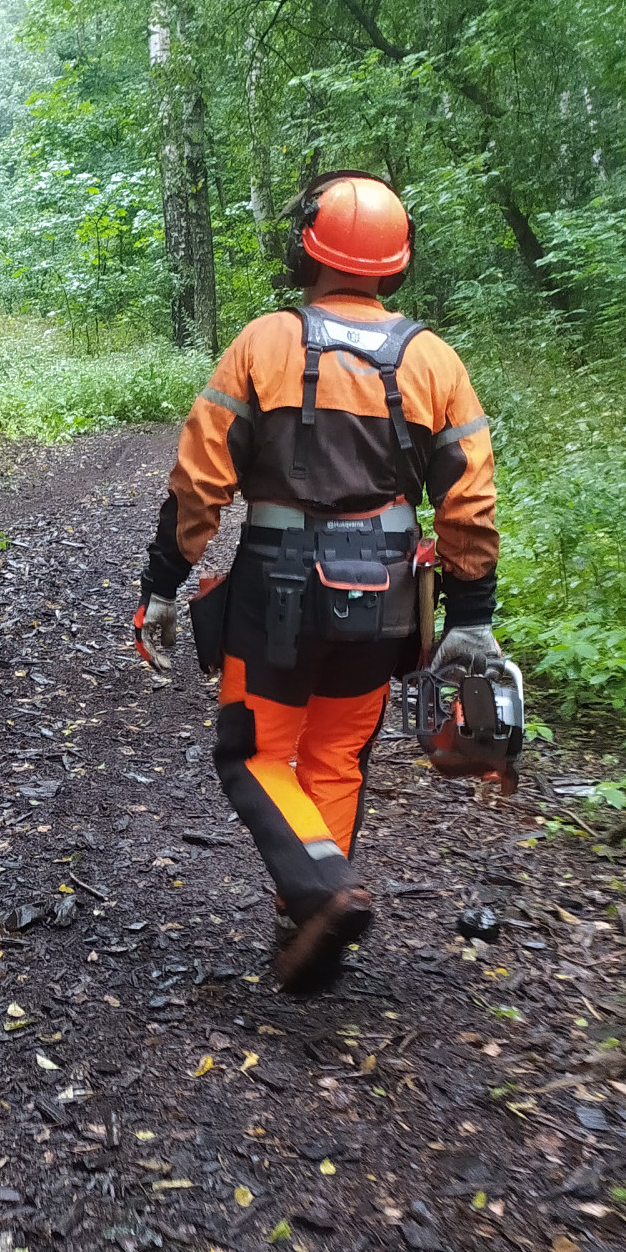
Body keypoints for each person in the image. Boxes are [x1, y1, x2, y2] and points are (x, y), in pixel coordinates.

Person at [134, 170, 501, 994]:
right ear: (396, 263)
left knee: (254, 752)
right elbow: (468, 500)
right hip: (391, 600)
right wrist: (471, 614)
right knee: (336, 755)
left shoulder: (266, 343)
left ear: (307, 249)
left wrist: (163, 584)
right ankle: (304, 925)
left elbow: (199, 483)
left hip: (278, 587)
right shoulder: (433, 360)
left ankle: (322, 893)